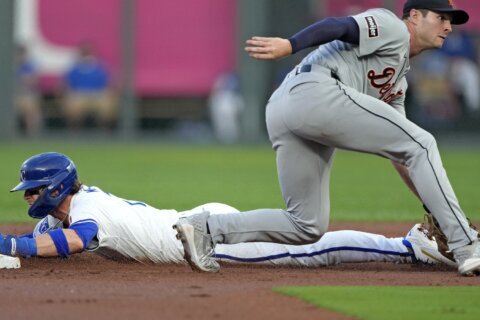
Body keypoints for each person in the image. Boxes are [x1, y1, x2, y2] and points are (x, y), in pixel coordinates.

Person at [172, 0, 480, 276]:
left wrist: (433, 207)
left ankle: (205, 228)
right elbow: (339, 26)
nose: (449, 26)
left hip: (285, 109)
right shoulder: (394, 28)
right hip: (314, 90)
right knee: (424, 143)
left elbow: (402, 155)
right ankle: (466, 246)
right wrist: (290, 45)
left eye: (450, 20)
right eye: (441, 17)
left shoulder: (397, 85)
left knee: (306, 225)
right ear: (414, 15)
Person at [0, 152, 455, 270]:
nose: (26, 197)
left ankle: (408, 247)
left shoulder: (86, 211)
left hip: (198, 238)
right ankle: (408, 245)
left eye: (32, 189)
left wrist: (11, 245)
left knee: (315, 249)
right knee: (306, 244)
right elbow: (58, 233)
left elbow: (74, 241)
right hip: (197, 220)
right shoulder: (73, 206)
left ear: (54, 187)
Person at [61, 42, 117, 131]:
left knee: (107, 104)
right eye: (84, 52)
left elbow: (109, 83)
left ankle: (106, 131)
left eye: (87, 51)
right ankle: (73, 131)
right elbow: (66, 84)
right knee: (72, 105)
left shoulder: (100, 67)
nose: (86, 54)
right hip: (79, 94)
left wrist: (109, 93)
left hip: (98, 94)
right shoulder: (74, 68)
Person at [15, 46, 43, 137]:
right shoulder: (9, 65)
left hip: (24, 95)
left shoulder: (28, 66)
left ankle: (31, 133)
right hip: (11, 96)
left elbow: (32, 81)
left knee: (30, 105)